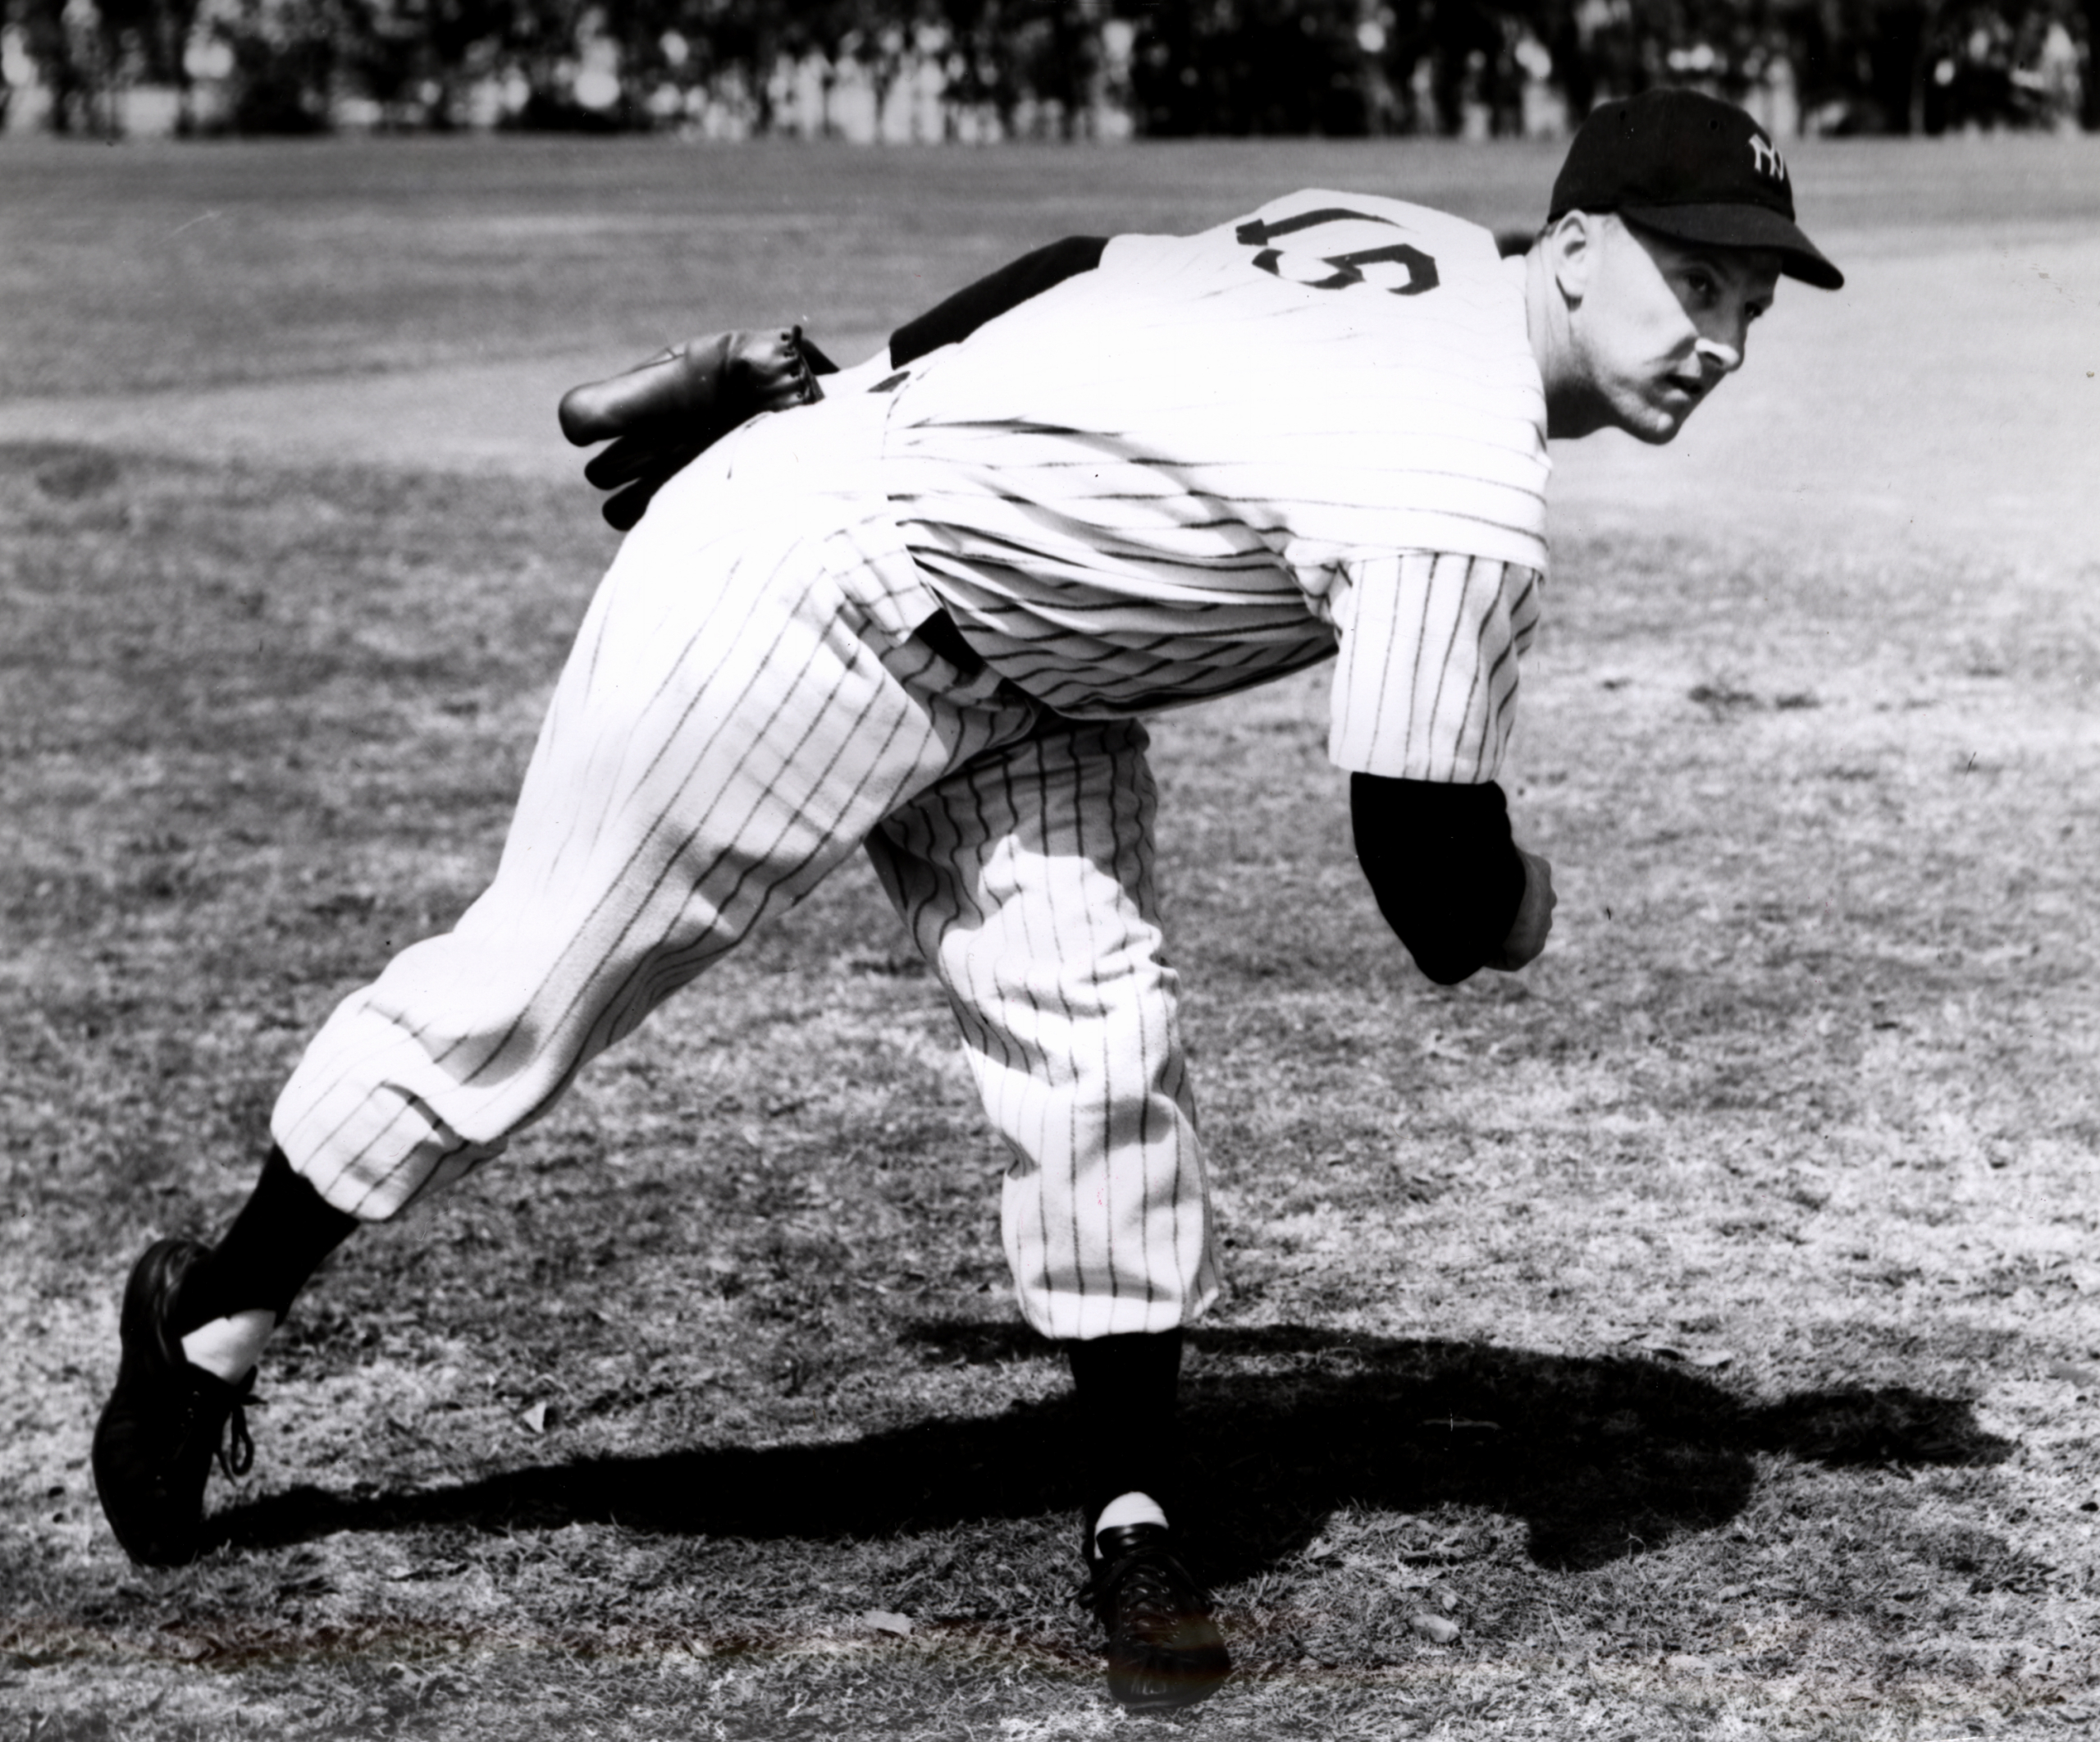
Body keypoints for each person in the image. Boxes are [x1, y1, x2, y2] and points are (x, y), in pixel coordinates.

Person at [91, 89, 1841, 1713]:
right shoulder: (1464, 471)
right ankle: (214, 1317)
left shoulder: (1377, 230)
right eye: (1691, 277)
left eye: (1751, 304)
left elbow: (1079, 267)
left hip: (1040, 679)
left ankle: (1134, 1508)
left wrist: (870, 369)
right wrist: (1521, 910)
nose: (1720, 339)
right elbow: (1427, 877)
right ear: (1573, 243)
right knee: (531, 991)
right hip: (816, 584)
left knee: (1101, 1051)